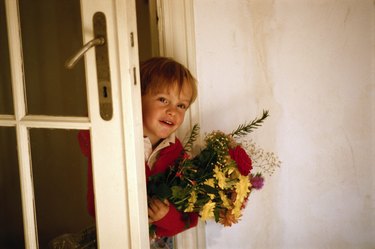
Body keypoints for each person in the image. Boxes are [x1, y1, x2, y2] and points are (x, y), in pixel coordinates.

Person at [77, 57, 199, 242]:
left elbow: (188, 218)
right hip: (115, 235)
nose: (173, 111)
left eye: (181, 105)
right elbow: (99, 206)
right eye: (163, 100)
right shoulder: (114, 140)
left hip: (156, 241)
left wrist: (165, 216)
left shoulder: (177, 153)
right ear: (136, 99)